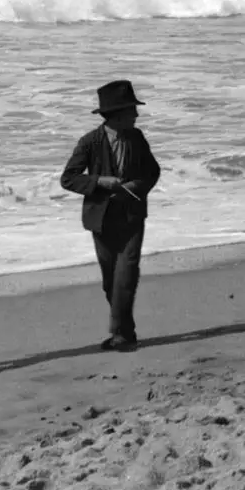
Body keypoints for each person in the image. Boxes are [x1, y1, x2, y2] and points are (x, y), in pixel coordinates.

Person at [58, 79, 161, 351]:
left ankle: (121, 336)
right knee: (110, 281)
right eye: (131, 111)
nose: (137, 116)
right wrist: (99, 182)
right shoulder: (90, 142)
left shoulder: (137, 138)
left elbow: (152, 172)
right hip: (101, 220)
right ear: (115, 115)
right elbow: (68, 179)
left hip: (132, 215)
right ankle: (125, 332)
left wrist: (135, 187)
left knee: (127, 275)